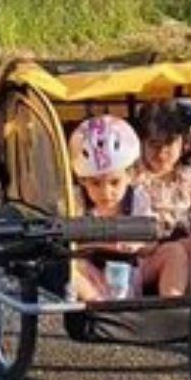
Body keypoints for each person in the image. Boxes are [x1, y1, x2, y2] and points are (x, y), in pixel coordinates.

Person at [129, 100, 191, 297]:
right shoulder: (131, 178)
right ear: (141, 143)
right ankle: (173, 311)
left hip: (186, 246)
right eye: (154, 144)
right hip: (147, 253)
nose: (162, 153)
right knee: (175, 252)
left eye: (169, 144)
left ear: (185, 142)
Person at [66, 115, 155, 300]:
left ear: (130, 175)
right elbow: (65, 245)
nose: (106, 192)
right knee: (70, 269)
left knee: (173, 254)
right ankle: (99, 310)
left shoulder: (138, 199)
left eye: (115, 182)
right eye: (95, 183)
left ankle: (172, 304)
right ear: (82, 180)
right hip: (90, 272)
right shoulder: (76, 202)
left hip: (130, 270)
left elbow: (152, 243)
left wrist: (139, 244)